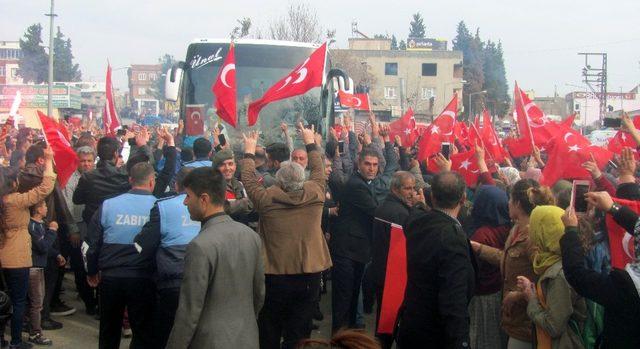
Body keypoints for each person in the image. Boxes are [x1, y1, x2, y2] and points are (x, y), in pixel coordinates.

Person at [241, 127, 331, 349]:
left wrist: (249, 152)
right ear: (303, 178)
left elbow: (249, 180)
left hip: (275, 276)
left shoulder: (265, 200)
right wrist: (310, 142)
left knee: (269, 326)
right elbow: (319, 170)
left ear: (278, 182)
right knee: (300, 330)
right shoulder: (316, 194)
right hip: (308, 274)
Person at [166, 167, 264, 349]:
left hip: (210, 341)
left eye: (188, 196)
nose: (185, 202)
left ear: (204, 199)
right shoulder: (251, 236)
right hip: (247, 337)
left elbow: (189, 311)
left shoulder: (200, 245)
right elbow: (259, 294)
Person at [471, 179, 555, 349]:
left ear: (517, 204)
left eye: (510, 199)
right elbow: (507, 259)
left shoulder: (533, 236)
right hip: (513, 318)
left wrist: (518, 294)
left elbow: (545, 278)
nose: (507, 203)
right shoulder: (516, 228)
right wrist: (480, 249)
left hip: (527, 320)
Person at [396, 171, 476, 348]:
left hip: (412, 325)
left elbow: (415, 215)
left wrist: (419, 205)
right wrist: (461, 342)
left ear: (432, 196)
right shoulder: (452, 238)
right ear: (463, 199)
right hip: (435, 334)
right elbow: (454, 299)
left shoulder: (417, 223)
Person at [85, 162, 158, 349]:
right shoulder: (158, 207)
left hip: (111, 277)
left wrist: (92, 271)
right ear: (152, 182)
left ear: (130, 180)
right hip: (143, 277)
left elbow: (92, 244)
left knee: (109, 330)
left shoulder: (108, 205)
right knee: (142, 331)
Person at [331, 138, 398, 332]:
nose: (371, 168)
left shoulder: (366, 183)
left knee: (351, 297)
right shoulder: (356, 185)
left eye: (375, 165)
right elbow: (376, 211)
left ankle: (350, 337)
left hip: (357, 250)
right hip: (347, 250)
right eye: (367, 164)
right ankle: (338, 339)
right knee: (344, 299)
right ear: (359, 164)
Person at [560, 191, 640, 348]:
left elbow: (577, 275)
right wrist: (612, 207)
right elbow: (637, 226)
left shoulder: (628, 288)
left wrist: (570, 231)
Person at [133, 167, 199, 348]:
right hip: (203, 281)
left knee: (167, 333)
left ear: (176, 185)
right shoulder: (209, 205)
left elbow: (144, 244)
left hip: (172, 282)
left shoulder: (163, 206)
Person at [0, 145, 55, 349]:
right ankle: (15, 341)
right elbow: (45, 187)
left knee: (3, 302)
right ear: (12, 184)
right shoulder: (15, 201)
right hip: (17, 258)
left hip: (2, 255)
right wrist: (49, 160)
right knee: (18, 302)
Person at [516, 205, 586, 349]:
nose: (530, 229)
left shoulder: (559, 274)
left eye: (534, 225)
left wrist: (531, 299)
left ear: (542, 232)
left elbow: (554, 327)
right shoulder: (553, 261)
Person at [370, 171, 421, 348]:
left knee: (384, 323)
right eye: (407, 188)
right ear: (395, 189)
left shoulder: (384, 207)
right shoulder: (400, 214)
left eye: (413, 188)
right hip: (393, 277)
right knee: (388, 326)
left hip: (382, 272)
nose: (412, 192)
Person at [468, 185, 511, 349]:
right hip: (500, 290)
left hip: (482, 295)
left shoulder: (481, 235)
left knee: (483, 337)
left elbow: (472, 268)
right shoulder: (509, 228)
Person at [61, 146, 98, 315]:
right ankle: (90, 304)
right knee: (80, 267)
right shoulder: (70, 181)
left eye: (89, 161)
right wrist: (73, 230)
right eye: (83, 161)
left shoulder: (99, 177)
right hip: (78, 229)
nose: (86, 164)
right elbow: (67, 206)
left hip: (96, 229)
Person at [27, 201, 59, 346]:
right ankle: (35, 333)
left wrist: (57, 254)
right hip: (33, 268)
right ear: (38, 210)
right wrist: (52, 231)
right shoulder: (32, 226)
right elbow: (42, 246)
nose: (47, 208)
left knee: (38, 301)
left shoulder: (41, 224)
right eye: (45, 206)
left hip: (39, 267)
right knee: (37, 303)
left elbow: (46, 246)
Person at [211, 148, 253, 223]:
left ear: (235, 166)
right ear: (215, 168)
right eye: (222, 165)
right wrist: (246, 203)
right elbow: (221, 208)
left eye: (230, 164)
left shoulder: (241, 185)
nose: (227, 168)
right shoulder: (212, 187)